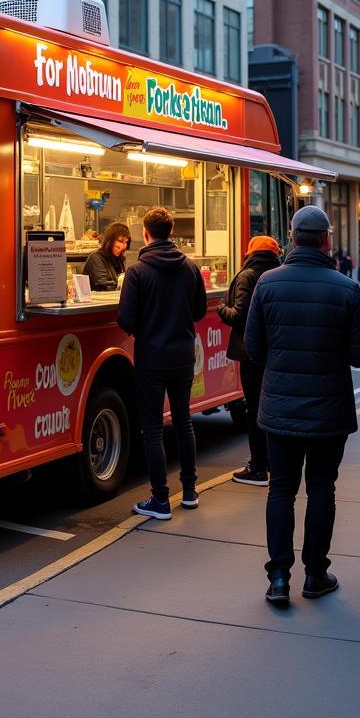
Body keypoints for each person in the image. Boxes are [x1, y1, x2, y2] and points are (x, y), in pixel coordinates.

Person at [244, 205, 360, 606]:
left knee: (281, 490)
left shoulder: (267, 283)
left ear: (293, 238)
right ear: (327, 239)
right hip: (328, 411)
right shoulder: (346, 288)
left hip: (280, 409)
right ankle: (315, 573)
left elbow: (253, 348)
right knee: (321, 490)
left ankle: (278, 578)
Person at [118, 206, 207, 520]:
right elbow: (199, 312)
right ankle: (191, 491)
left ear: (146, 233)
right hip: (183, 356)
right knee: (183, 422)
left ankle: (159, 499)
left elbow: (125, 320)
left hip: (152, 358)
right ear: (171, 232)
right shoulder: (191, 267)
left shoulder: (137, 271)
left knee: (153, 428)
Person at [218, 235, 283, 486]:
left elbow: (238, 315)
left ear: (250, 252)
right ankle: (269, 460)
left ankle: (257, 467)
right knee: (269, 407)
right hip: (272, 351)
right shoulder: (279, 273)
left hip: (250, 351)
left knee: (254, 408)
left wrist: (222, 306)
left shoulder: (247, 275)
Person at [81, 222, 131, 291]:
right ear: (110, 240)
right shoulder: (96, 258)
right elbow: (104, 286)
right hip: (98, 300)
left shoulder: (119, 259)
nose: (122, 246)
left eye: (126, 242)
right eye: (120, 241)